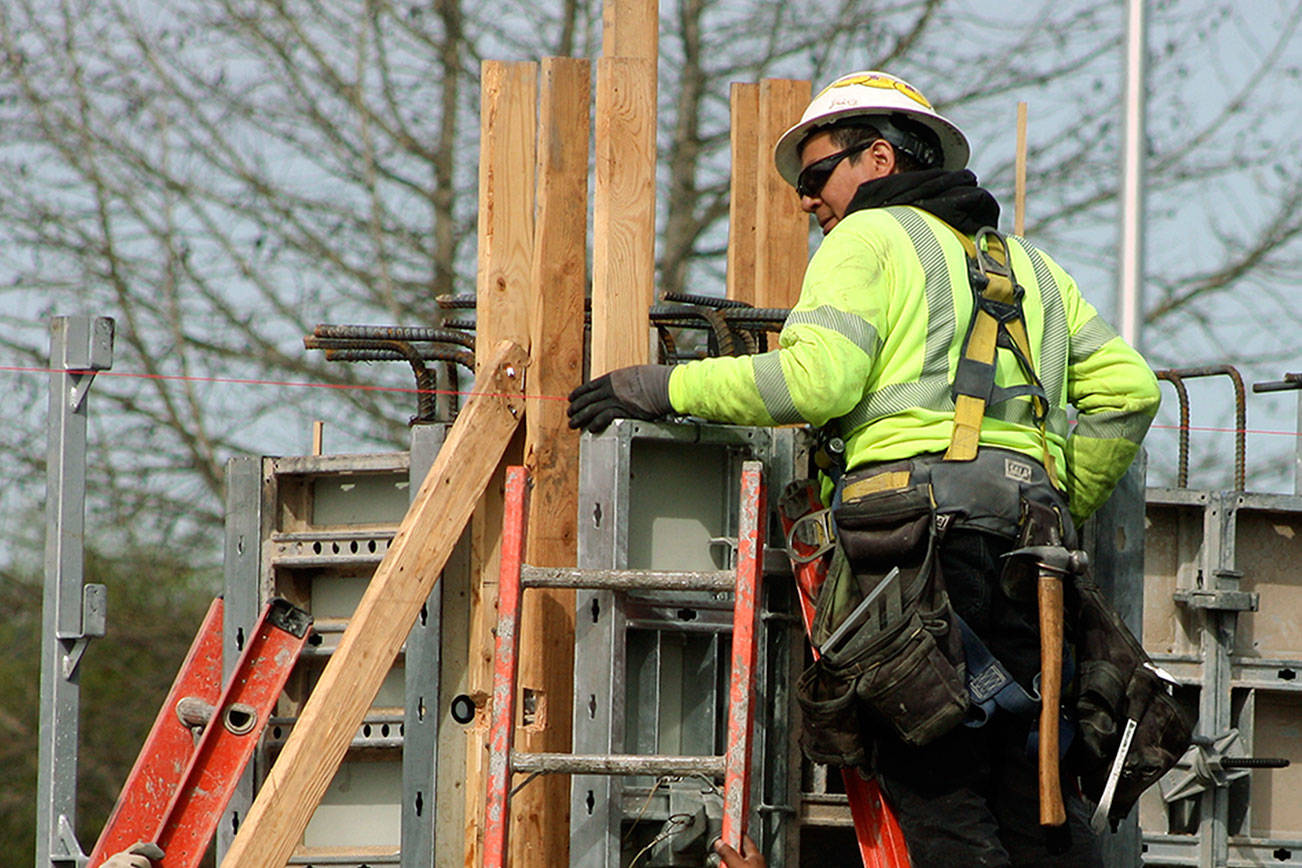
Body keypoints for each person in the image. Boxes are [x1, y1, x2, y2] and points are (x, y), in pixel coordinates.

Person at [569, 70, 1160, 867]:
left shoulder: (867, 240)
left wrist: (664, 386)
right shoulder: (1031, 269)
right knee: (1034, 796)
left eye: (816, 178)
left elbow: (816, 381)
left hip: (910, 554)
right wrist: (1054, 494)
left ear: (877, 157)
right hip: (1030, 557)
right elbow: (1129, 391)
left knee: (939, 783)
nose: (807, 202)